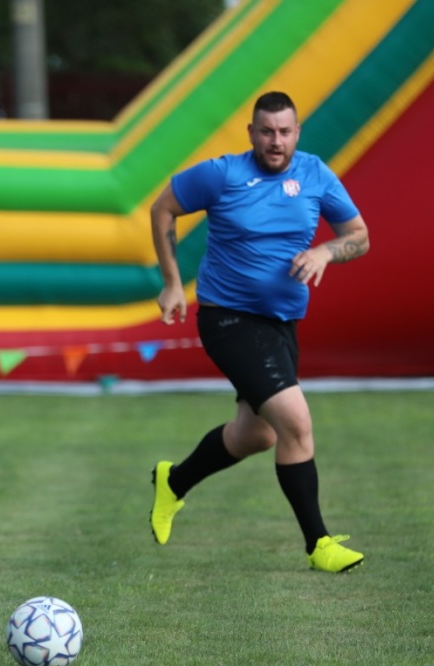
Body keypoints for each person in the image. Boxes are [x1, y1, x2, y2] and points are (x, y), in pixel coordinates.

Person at [148, 91, 370, 573]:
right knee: (296, 423)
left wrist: (326, 253)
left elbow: (359, 235)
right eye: (266, 131)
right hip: (227, 318)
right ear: (251, 133)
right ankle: (320, 544)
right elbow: (161, 209)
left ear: (297, 134)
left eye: (284, 132)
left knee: (258, 435)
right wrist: (171, 283)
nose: (276, 141)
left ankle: (173, 482)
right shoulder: (221, 174)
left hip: (281, 323)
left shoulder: (314, 173)